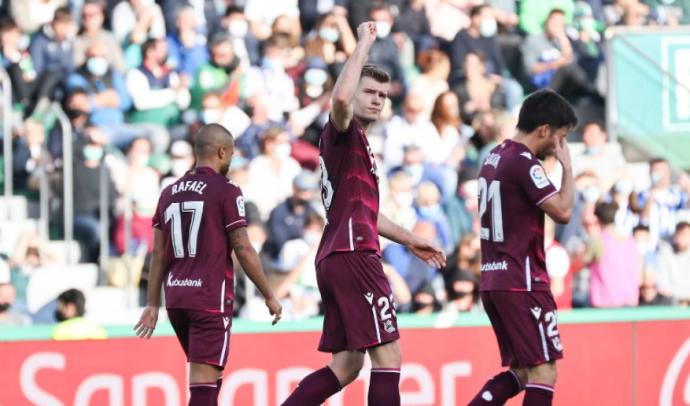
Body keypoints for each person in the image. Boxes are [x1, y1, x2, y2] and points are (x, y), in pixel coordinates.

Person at [281, 22, 446, 406]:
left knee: (347, 365)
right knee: (389, 356)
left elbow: (367, 214)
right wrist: (363, 45)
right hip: (354, 254)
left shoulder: (360, 145)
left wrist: (411, 238)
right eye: (368, 92)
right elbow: (339, 102)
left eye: (382, 95)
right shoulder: (343, 130)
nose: (376, 100)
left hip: (338, 252)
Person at [134, 123, 282, 406]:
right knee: (203, 388)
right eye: (232, 155)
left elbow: (158, 253)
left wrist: (153, 304)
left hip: (176, 299)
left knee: (208, 380)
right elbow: (242, 246)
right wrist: (269, 294)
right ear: (222, 151)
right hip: (208, 299)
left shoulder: (169, 192)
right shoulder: (226, 190)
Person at [469, 89, 577, 406]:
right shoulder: (523, 162)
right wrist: (568, 168)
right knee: (544, 373)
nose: (560, 146)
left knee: (524, 372)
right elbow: (564, 212)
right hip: (522, 280)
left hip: (494, 279)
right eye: (560, 137)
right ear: (544, 130)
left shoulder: (493, 156)